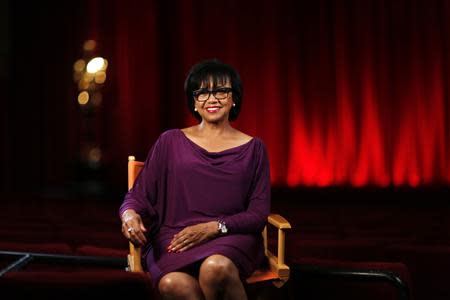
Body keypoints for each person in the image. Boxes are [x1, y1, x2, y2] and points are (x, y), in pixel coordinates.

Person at [119, 59, 271, 300]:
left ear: (234, 99)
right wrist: (129, 215)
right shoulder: (169, 141)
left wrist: (214, 227)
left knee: (215, 268)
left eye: (221, 90)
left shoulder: (254, 149)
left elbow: (258, 213)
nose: (212, 99)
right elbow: (137, 197)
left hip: (230, 236)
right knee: (171, 284)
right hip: (176, 238)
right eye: (202, 92)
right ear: (193, 101)